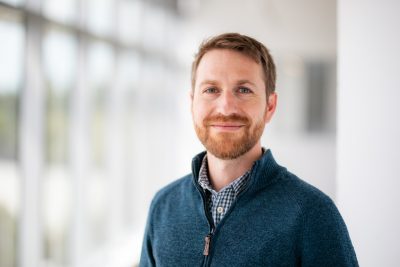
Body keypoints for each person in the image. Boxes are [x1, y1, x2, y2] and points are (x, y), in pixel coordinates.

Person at [139, 33, 358, 267]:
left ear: (270, 106)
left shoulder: (312, 214)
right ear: (192, 104)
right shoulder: (163, 206)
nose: (225, 107)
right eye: (211, 90)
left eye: (243, 90)